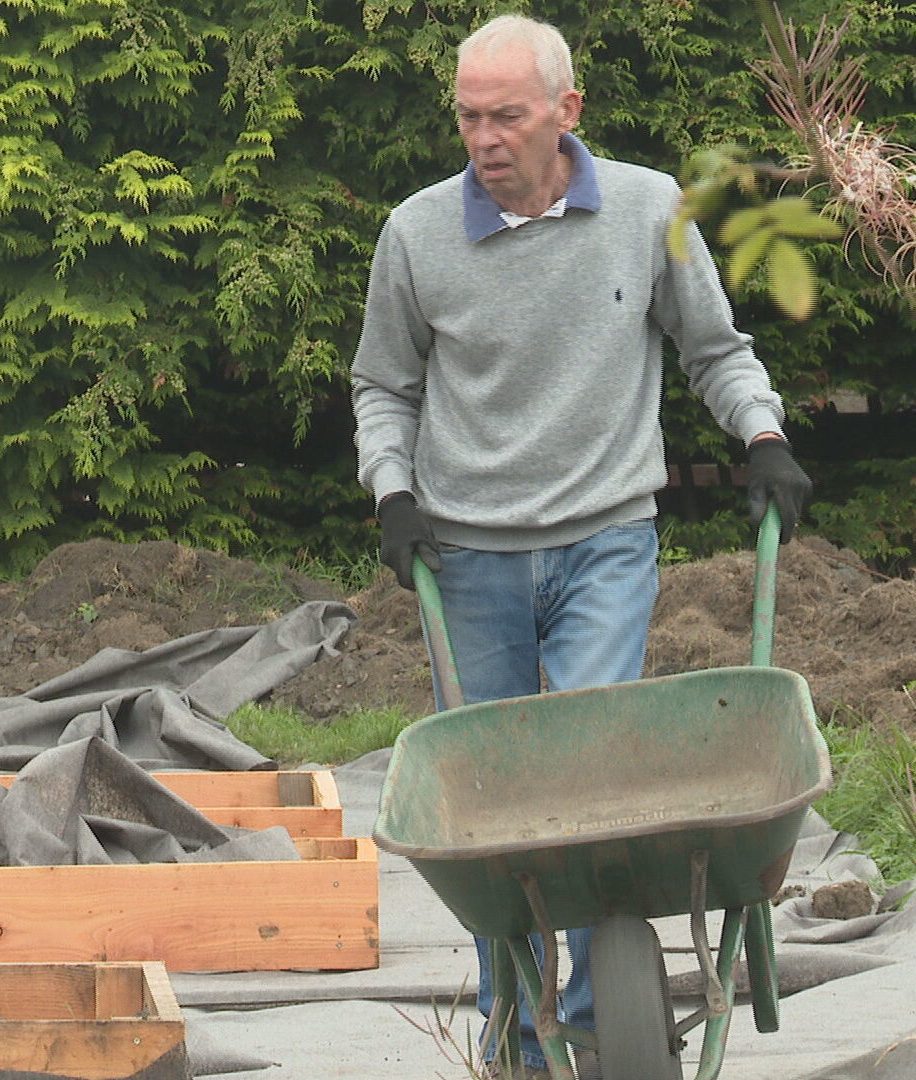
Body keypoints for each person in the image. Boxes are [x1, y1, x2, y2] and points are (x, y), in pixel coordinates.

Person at [348, 13, 814, 1079]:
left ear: (567, 111)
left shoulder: (652, 212)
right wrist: (394, 493)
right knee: (491, 822)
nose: (484, 138)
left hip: (607, 540)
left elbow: (715, 349)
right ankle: (517, 1040)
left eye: (506, 115)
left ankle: (609, 1032)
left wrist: (764, 437)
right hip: (464, 559)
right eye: (468, 117)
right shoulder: (418, 235)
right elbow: (385, 386)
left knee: (599, 803)